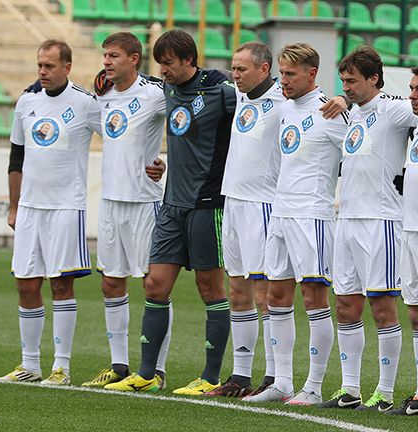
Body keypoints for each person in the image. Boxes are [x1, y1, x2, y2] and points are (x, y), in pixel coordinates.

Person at [104, 29, 235, 395]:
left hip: (207, 205)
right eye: (159, 64)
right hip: (172, 204)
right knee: (155, 284)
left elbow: (261, 108)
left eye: (169, 64)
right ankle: (147, 373)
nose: (163, 70)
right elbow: (129, 83)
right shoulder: (167, 88)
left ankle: (210, 378)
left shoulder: (221, 91)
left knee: (210, 287)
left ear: (188, 61)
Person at [243, 43, 348, 405]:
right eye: (281, 73)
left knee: (314, 298)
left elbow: (368, 135)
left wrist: (349, 103)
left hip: (312, 216)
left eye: (290, 74)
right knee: (275, 296)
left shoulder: (332, 113)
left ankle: (315, 387)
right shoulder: (285, 108)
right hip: (281, 213)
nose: (282, 80)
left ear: (312, 73)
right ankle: (283, 383)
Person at [0, 39, 102, 385]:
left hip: (66, 207)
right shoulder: (26, 102)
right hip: (29, 209)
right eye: (40, 65)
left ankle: (61, 368)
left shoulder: (85, 103)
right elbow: (16, 158)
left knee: (60, 284)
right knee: (26, 284)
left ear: (67, 67)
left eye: (49, 66)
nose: (42, 71)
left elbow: (117, 137)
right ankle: (29, 366)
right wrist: (14, 205)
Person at [320, 46, 417, 412]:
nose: (345, 87)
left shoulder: (392, 110)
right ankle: (349, 390)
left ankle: (385, 392)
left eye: (352, 81)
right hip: (346, 220)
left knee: (382, 308)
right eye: (343, 81)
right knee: (345, 305)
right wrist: (345, 104)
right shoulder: (352, 115)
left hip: (382, 223)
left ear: (374, 79)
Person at [80, 32, 172, 389]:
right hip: (111, 202)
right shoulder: (100, 97)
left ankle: (157, 370)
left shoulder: (152, 94)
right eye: (104, 55)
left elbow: (184, 125)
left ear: (134, 59)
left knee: (155, 285)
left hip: (144, 202)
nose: (106, 61)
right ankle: (119, 365)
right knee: (110, 282)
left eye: (113, 55)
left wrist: (166, 163)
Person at [204, 42, 284, 398]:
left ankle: (273, 376)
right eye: (233, 68)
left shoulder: (285, 99)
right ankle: (240, 376)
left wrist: (342, 102)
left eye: (241, 69)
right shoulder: (239, 96)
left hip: (262, 205)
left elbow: (326, 103)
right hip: (233, 202)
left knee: (264, 292)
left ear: (264, 69)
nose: (234, 75)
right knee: (237, 290)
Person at [386, 67, 418, 416]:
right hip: (410, 229)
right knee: (415, 312)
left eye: (417, 89)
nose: (412, 95)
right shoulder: (415, 125)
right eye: (410, 88)